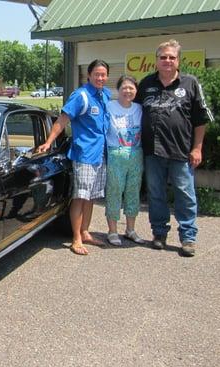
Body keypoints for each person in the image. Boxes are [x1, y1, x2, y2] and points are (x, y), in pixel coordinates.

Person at [135, 39, 213, 257]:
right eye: (163, 57)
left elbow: (201, 120)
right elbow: (134, 115)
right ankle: (159, 233)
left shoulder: (190, 83)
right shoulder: (146, 84)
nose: (167, 60)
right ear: (156, 60)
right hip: (152, 152)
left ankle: (188, 237)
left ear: (178, 60)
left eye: (172, 57)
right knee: (156, 194)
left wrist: (197, 149)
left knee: (185, 194)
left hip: (181, 152)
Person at [37, 59, 111, 255]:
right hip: (84, 154)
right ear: (88, 75)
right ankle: (76, 238)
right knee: (79, 197)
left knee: (91, 197)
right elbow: (62, 120)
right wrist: (48, 142)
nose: (100, 78)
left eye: (103, 75)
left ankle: (85, 232)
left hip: (100, 154)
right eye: (97, 74)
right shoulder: (81, 96)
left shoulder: (105, 95)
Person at [104, 76, 145, 246]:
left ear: (136, 91)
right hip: (116, 154)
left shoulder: (139, 108)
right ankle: (112, 231)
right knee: (114, 191)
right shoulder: (109, 106)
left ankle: (130, 229)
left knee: (133, 191)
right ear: (118, 89)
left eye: (131, 88)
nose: (128, 91)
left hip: (136, 154)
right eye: (124, 88)